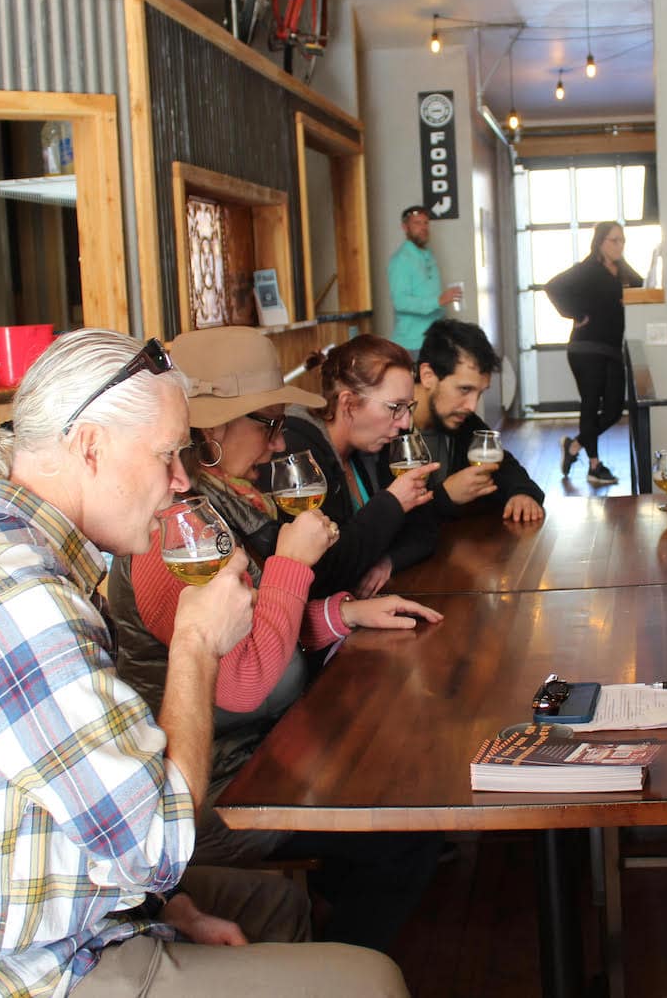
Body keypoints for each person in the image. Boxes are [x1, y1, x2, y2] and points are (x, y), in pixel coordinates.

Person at [0, 328, 407, 998]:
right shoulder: (24, 602)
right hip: (18, 973)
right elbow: (158, 846)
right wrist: (196, 643)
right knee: (371, 980)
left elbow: (79, 817)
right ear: (90, 447)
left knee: (279, 907)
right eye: (168, 453)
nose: (176, 478)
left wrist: (168, 909)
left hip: (51, 907)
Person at [108, 324, 443, 954]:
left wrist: (346, 615)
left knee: (395, 789)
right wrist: (292, 564)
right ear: (211, 433)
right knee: (404, 832)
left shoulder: (222, 508)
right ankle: (340, 970)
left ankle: (325, 936)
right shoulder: (172, 539)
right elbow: (244, 682)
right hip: (220, 793)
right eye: (266, 423)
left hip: (259, 756)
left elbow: (264, 631)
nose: (280, 441)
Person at [283, 333, 441, 598]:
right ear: (348, 404)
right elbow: (325, 572)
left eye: (408, 407)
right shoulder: (299, 452)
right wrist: (392, 502)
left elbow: (426, 527)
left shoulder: (375, 442)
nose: (404, 422)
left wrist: (388, 560)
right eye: (395, 407)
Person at [392, 318, 545, 524]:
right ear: (428, 375)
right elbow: (387, 518)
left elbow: (504, 465)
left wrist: (521, 494)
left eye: (479, 393)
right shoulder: (388, 431)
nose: (472, 406)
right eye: (464, 389)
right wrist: (446, 495)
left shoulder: (462, 421)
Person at [545, 220, 642, 487]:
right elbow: (552, 286)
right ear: (600, 242)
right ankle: (594, 466)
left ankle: (574, 446)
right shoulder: (587, 269)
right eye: (614, 240)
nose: (620, 245)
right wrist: (575, 314)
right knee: (590, 403)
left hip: (612, 349)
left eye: (622, 240)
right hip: (585, 347)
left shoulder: (623, 271)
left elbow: (646, 290)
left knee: (612, 409)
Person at [388, 204, 461, 352]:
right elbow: (400, 302)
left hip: (434, 339)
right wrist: (438, 301)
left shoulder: (428, 255)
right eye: (417, 223)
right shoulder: (401, 259)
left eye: (426, 223)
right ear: (405, 227)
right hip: (412, 344)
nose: (423, 227)